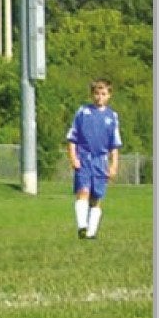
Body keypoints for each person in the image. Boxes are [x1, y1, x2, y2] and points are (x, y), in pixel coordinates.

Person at [66, 79, 122, 239]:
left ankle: (91, 232)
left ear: (109, 96)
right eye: (96, 93)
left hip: (100, 161)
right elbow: (72, 138)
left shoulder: (112, 116)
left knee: (96, 197)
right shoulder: (83, 112)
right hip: (84, 159)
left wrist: (114, 165)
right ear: (92, 95)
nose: (99, 97)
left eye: (103, 94)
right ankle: (82, 226)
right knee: (83, 191)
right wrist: (73, 157)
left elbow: (114, 144)